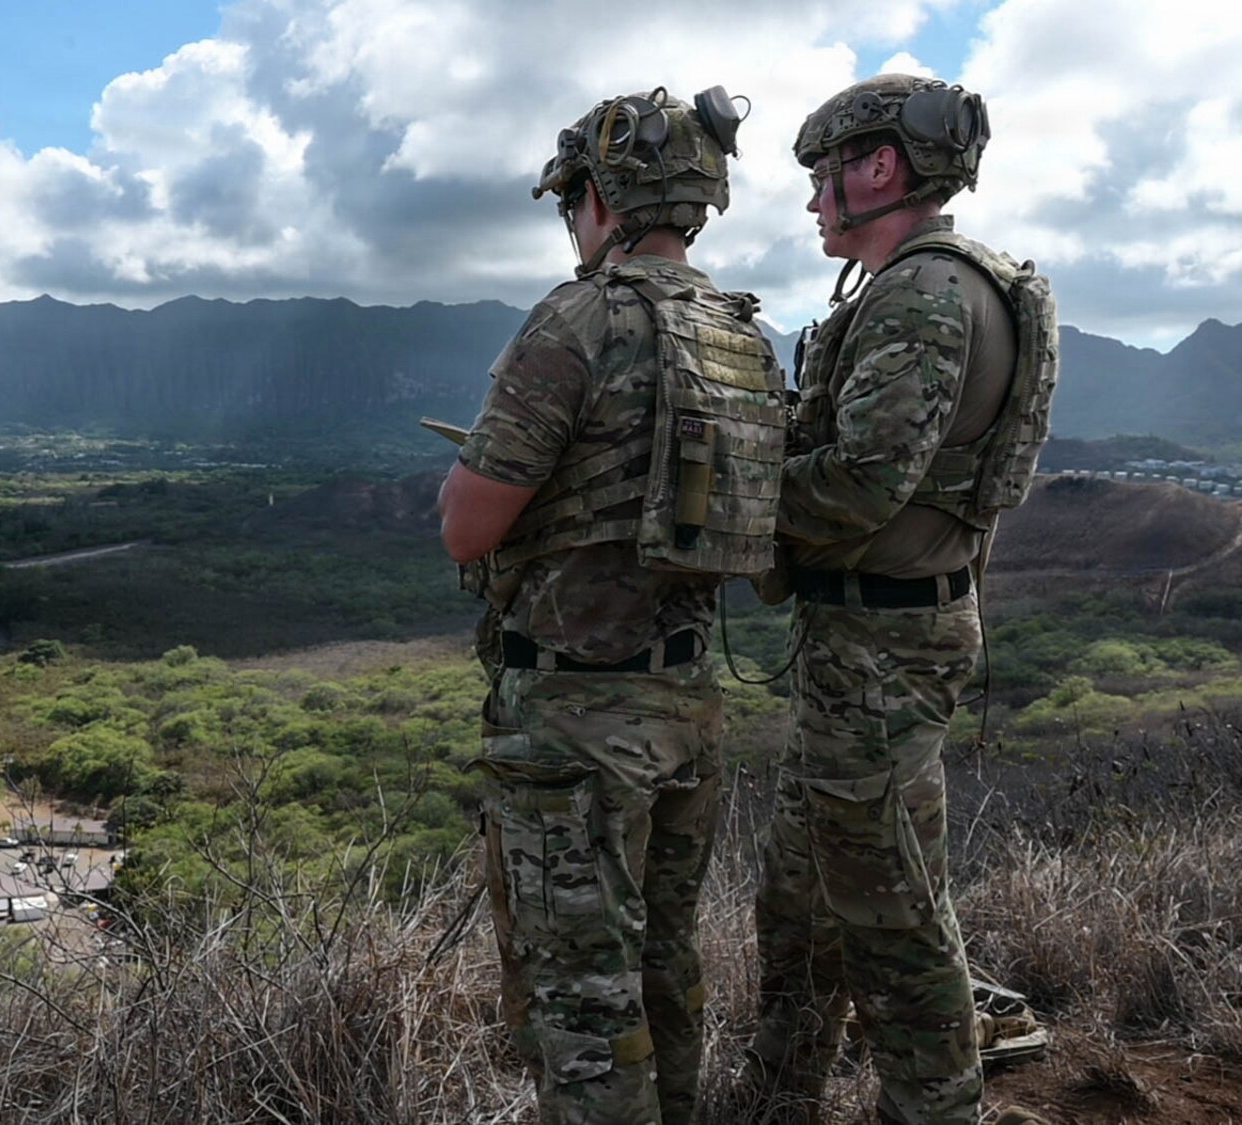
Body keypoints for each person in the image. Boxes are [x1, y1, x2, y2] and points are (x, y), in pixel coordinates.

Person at [437, 86, 785, 1125]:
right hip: (687, 704)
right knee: (662, 971)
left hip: (576, 726)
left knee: (579, 1004)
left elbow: (468, 526)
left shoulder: (576, 319)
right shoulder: (741, 335)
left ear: (596, 198)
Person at [745, 74, 1058, 1124]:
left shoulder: (924, 295)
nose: (811, 201)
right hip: (861, 641)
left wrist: (721, 492)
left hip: (880, 647)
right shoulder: (926, 287)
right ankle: (778, 1092)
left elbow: (858, 485)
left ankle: (933, 1105)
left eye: (821, 175)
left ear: (878, 166)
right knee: (798, 896)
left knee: (888, 919)